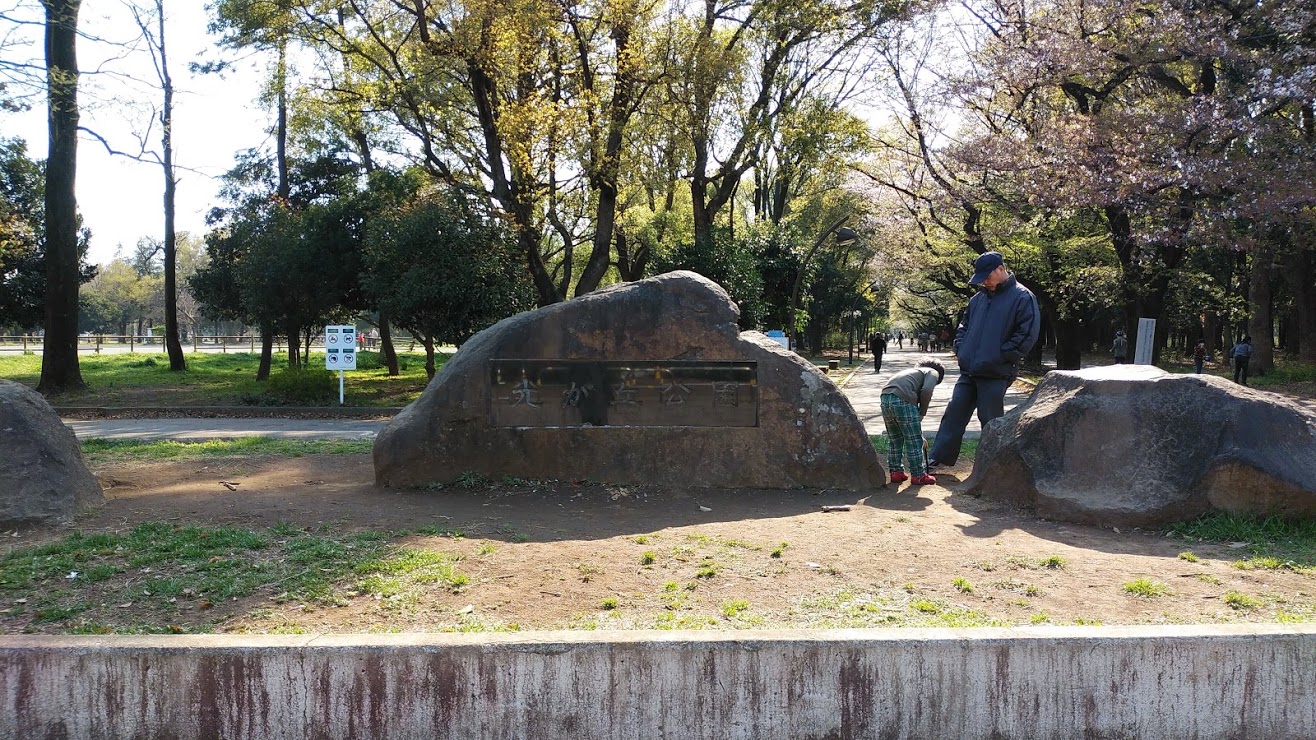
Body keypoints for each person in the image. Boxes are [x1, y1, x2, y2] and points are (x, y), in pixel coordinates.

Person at [927, 251, 1040, 469]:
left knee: (990, 419)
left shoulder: (1023, 297)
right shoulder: (977, 299)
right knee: (954, 413)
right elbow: (963, 326)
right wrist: (961, 348)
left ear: (1000, 269)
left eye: (986, 276)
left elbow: (1027, 333)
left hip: (996, 371)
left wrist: (1003, 355)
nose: (984, 282)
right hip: (969, 369)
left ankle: (994, 463)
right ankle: (938, 457)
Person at [881, 359, 946, 486]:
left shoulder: (910, 372)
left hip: (885, 398)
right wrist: (922, 412)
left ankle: (896, 472)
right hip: (903, 400)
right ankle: (918, 475)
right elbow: (927, 390)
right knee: (914, 441)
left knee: (895, 438)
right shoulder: (932, 372)